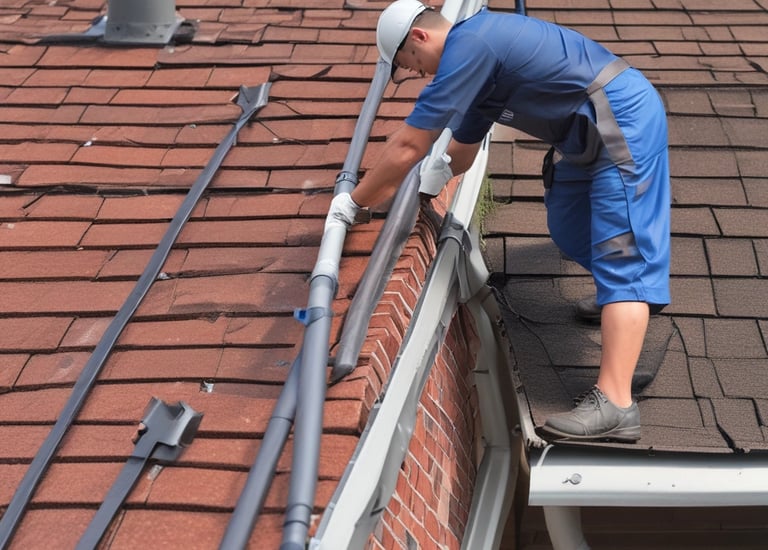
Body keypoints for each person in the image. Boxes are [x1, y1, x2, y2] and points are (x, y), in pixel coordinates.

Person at [326, 0, 670, 443]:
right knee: (568, 226)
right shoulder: (480, 70)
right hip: (584, 136)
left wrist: (353, 203)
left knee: (621, 250)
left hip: (619, 119)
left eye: (411, 64)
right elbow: (462, 152)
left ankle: (616, 402)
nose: (420, 74)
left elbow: (410, 144)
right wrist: (429, 184)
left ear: (419, 37)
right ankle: (623, 300)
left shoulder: (471, 46)